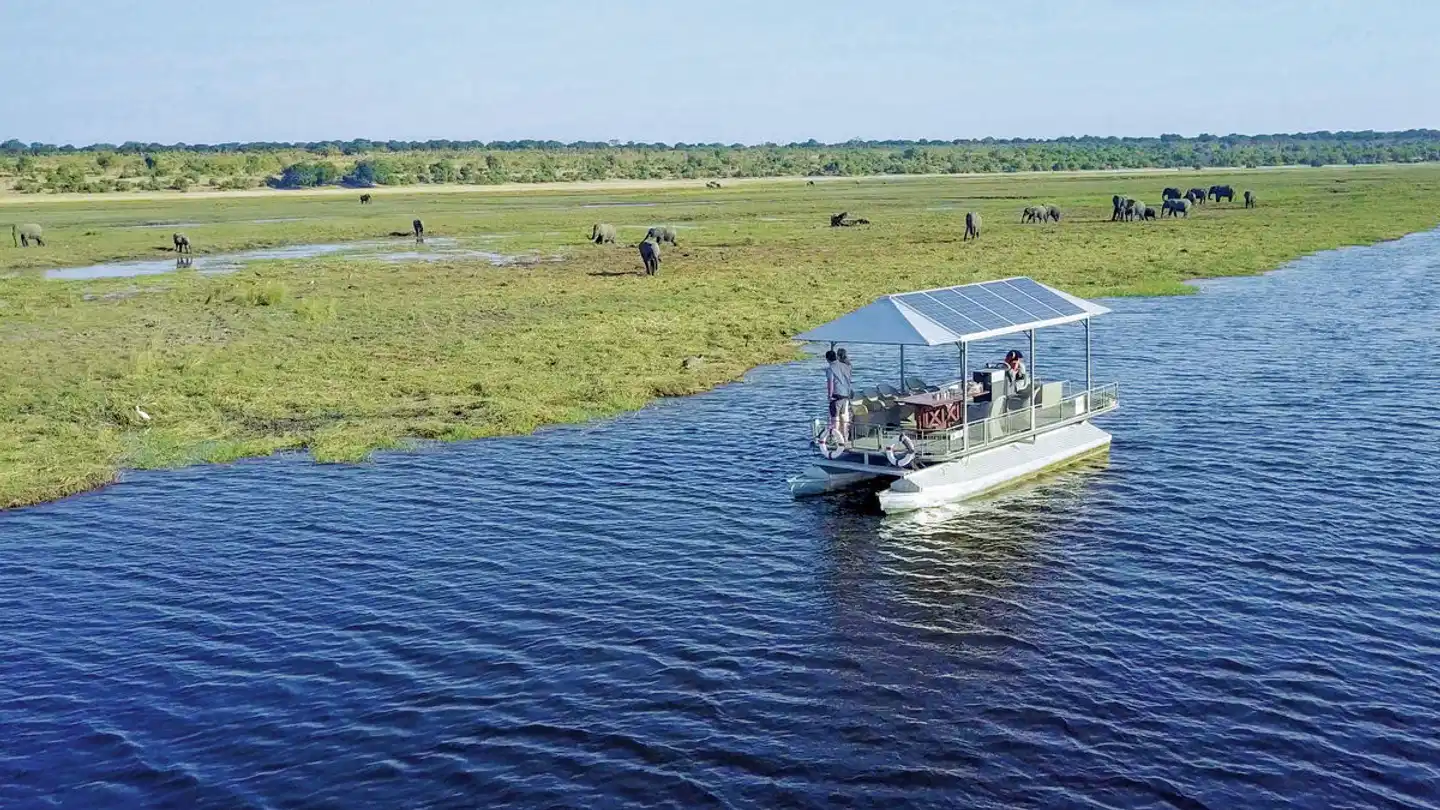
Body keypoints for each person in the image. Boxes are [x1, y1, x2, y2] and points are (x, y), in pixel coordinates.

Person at [826, 348, 854, 436]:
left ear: (827, 359)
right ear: (836, 357)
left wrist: (830, 396)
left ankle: (836, 437)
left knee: (835, 418)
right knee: (844, 415)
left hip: (837, 395)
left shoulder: (830, 368)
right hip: (846, 395)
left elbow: (830, 383)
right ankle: (845, 435)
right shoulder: (846, 366)